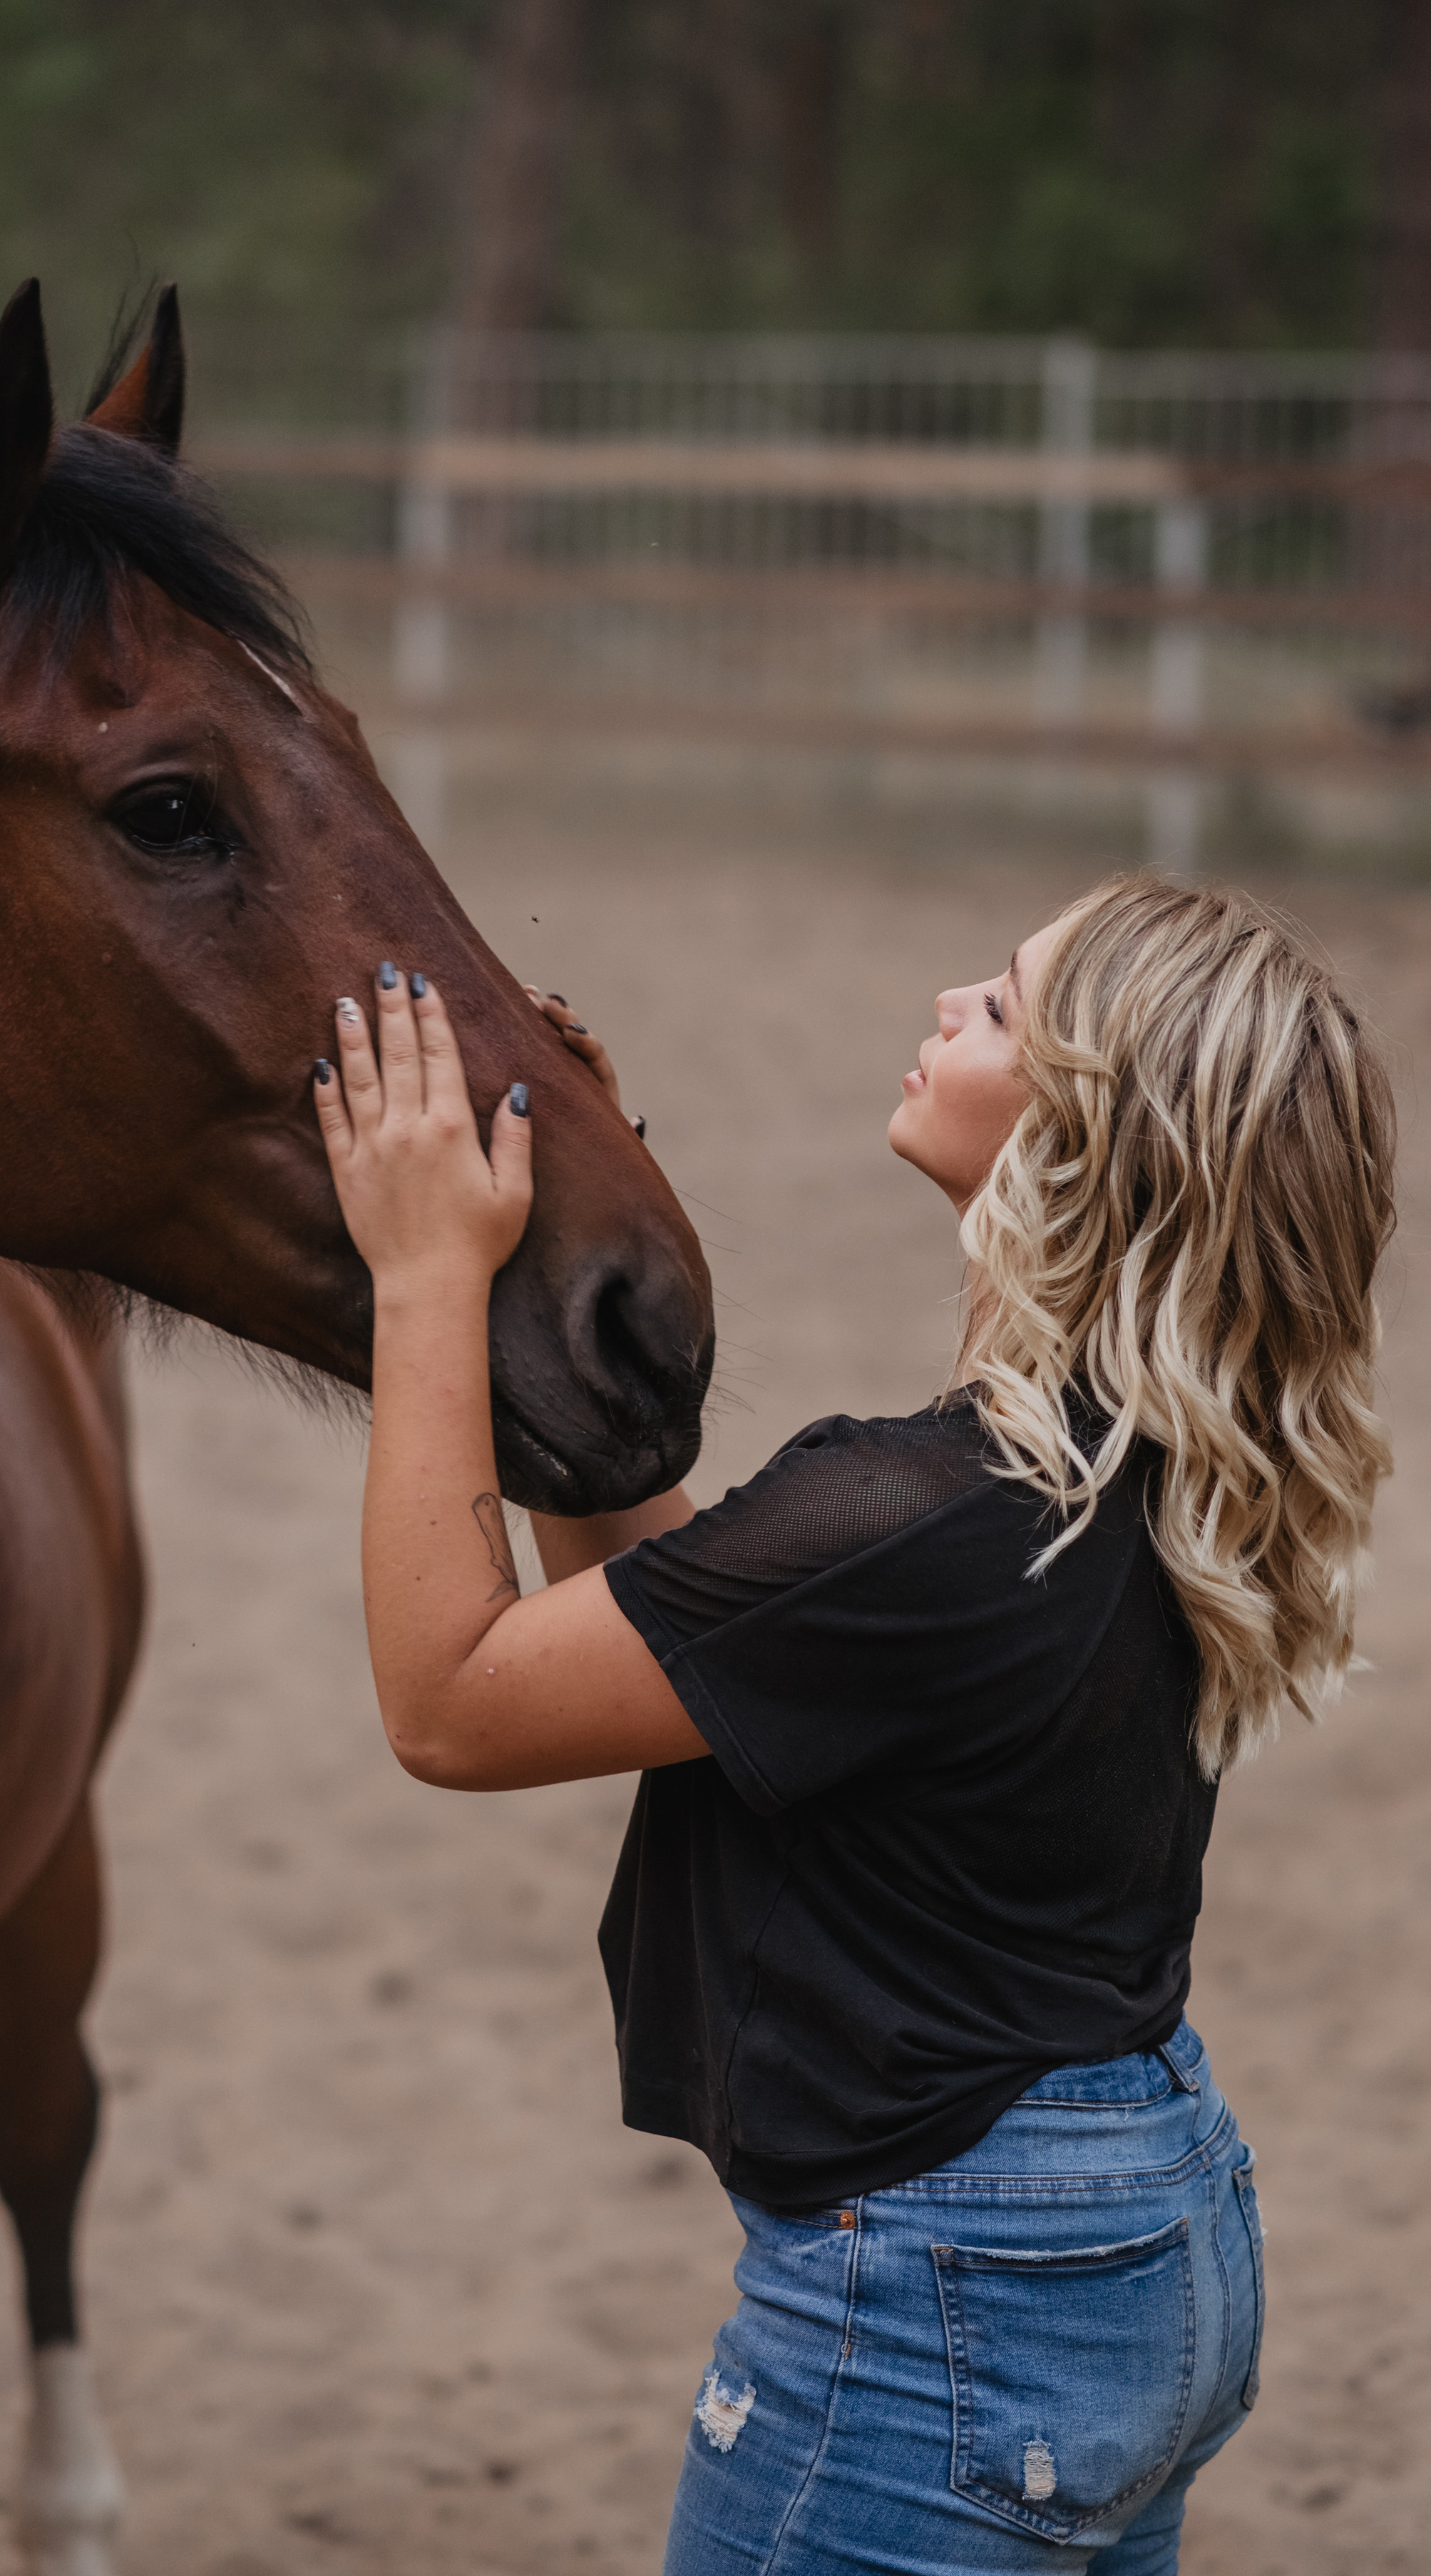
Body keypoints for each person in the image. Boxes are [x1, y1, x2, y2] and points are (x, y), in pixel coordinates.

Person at [309, 871, 1394, 2574]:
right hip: (1141, 2234)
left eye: (1010, 1007)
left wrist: (422, 1271)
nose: (954, 997)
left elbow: (450, 1702)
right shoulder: (1126, 1483)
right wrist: (544, 1273)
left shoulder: (916, 1517)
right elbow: (692, 1649)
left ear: (1090, 1141)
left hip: (949, 2303)